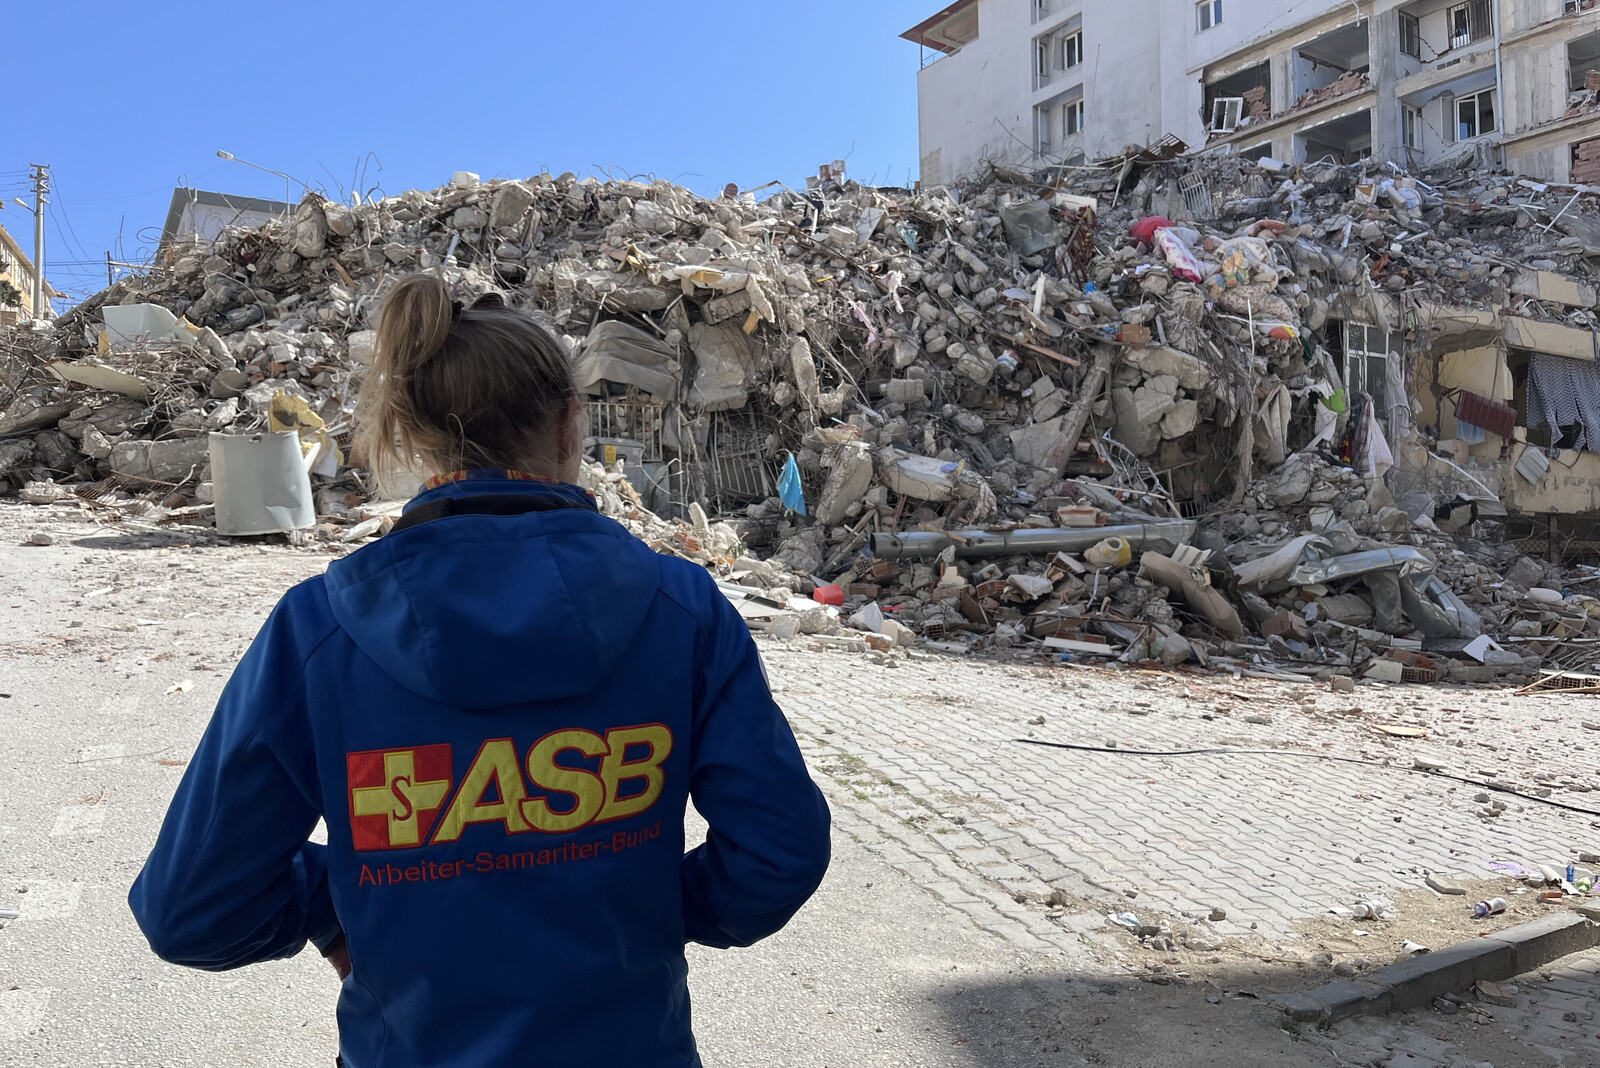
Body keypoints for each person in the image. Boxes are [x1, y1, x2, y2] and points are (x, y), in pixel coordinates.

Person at [129, 274, 832, 1067]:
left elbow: (191, 911)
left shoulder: (320, 630)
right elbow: (780, 853)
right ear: (571, 424)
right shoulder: (684, 610)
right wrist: (655, 907)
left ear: (415, 438)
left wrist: (331, 907)